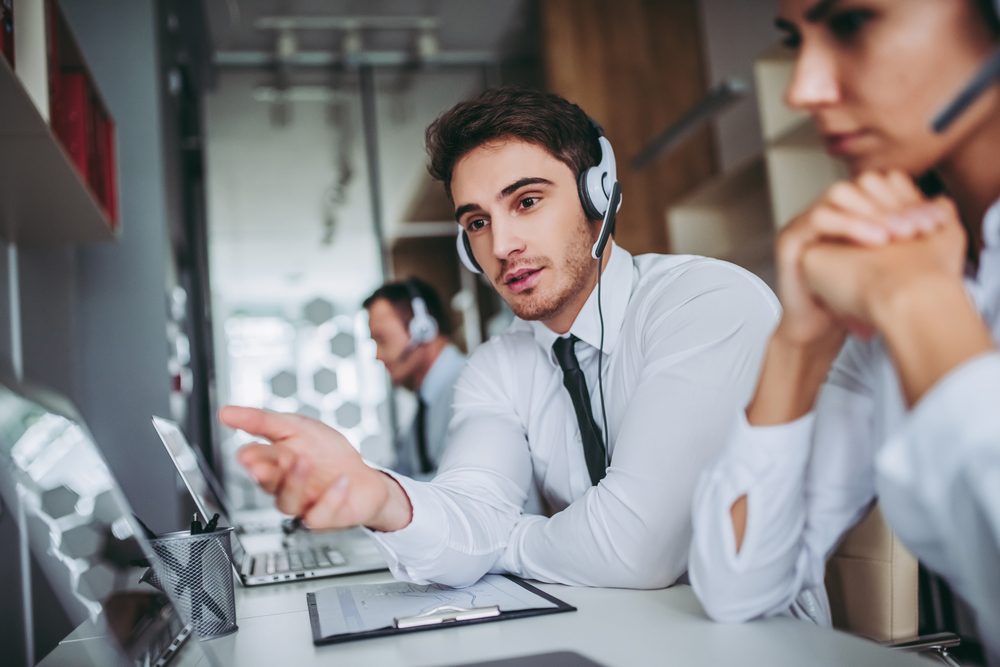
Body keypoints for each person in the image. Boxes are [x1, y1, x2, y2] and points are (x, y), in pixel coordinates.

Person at [223, 86, 778, 589]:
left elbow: (636, 549)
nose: (501, 245)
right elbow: (471, 510)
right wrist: (384, 498)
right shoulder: (498, 365)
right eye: (477, 222)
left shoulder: (705, 304)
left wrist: (500, 542)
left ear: (599, 194)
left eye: (527, 201)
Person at [688, 1, 1000, 662]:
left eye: (852, 24)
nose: (803, 89)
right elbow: (739, 587)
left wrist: (916, 301)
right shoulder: (891, 264)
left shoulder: (900, 281)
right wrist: (798, 342)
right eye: (796, 41)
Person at [363, 278, 465, 480]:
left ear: (422, 329)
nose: (377, 356)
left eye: (382, 340)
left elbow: (459, 487)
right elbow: (403, 473)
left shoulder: (470, 389)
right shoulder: (424, 407)